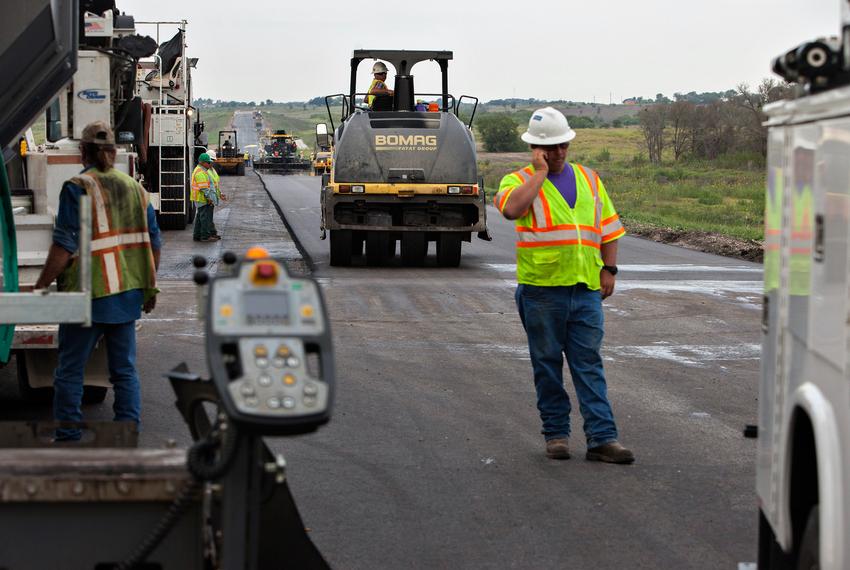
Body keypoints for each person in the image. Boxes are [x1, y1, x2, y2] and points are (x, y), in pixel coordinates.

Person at [494, 107, 634, 464]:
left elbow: (608, 227)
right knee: (546, 364)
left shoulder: (589, 179)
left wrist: (610, 269)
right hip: (541, 290)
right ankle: (556, 435)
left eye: (561, 146)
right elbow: (511, 211)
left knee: (589, 364)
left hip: (585, 289)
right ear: (535, 148)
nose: (557, 153)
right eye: (549, 148)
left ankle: (602, 439)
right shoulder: (516, 181)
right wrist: (540, 173)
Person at [34, 121, 161, 441]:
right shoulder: (136, 188)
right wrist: (150, 287)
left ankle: (68, 437)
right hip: (127, 293)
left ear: (84, 151)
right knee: (124, 372)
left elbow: (64, 245)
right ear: (114, 152)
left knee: (70, 372)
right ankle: (126, 436)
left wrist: (40, 286)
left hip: (88, 295)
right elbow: (154, 242)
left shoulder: (78, 187)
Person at [191, 153, 220, 242]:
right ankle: (205, 236)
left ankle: (197, 235)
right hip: (202, 198)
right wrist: (209, 198)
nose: (210, 164)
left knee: (201, 217)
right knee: (205, 218)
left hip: (201, 198)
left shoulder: (202, 170)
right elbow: (204, 188)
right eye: (208, 162)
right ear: (202, 162)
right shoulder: (200, 172)